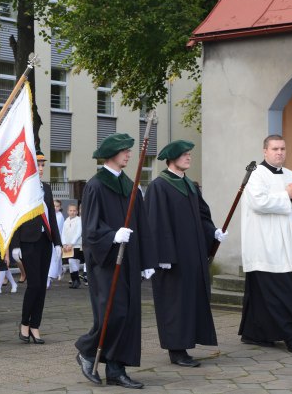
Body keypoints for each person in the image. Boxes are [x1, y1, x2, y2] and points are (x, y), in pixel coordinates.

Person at [75, 133, 157, 389]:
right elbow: (89, 228)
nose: (129, 154)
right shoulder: (96, 186)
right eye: (125, 151)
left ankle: (116, 368)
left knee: (129, 314)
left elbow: (142, 225)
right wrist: (112, 236)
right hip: (107, 262)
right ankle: (87, 351)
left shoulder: (131, 186)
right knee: (113, 313)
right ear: (112, 154)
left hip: (130, 260)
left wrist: (147, 260)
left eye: (129, 151)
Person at [144, 140, 227, 367]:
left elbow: (202, 216)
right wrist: (162, 257)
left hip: (193, 256)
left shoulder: (189, 185)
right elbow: (155, 224)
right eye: (184, 155)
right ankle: (176, 350)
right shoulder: (159, 186)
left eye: (190, 154)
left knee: (191, 300)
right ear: (172, 159)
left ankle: (187, 343)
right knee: (174, 303)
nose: (189, 157)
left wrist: (213, 232)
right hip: (172, 259)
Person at [238, 134, 292, 353]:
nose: (279, 153)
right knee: (277, 294)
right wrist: (287, 194)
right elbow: (259, 202)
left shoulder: (290, 173)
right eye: (275, 149)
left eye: (283, 149)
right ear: (265, 151)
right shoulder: (256, 174)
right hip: (265, 244)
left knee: (264, 292)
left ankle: (255, 333)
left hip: (287, 244)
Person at [11, 151, 62, 345]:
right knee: (33, 285)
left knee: (43, 286)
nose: (41, 169)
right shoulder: (22, 188)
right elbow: (15, 217)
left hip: (44, 240)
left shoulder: (46, 189)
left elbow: (50, 217)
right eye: (38, 165)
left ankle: (35, 325)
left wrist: (57, 241)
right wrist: (15, 245)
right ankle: (24, 323)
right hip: (27, 241)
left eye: (42, 165)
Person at [62, 204, 84, 289]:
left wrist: (72, 243)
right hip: (67, 245)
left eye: (74, 210)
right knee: (71, 263)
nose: (72, 212)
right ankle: (74, 280)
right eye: (70, 210)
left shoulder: (79, 220)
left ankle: (77, 280)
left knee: (73, 261)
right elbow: (63, 233)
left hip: (76, 245)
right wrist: (64, 243)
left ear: (77, 211)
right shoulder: (66, 221)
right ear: (67, 211)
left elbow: (78, 233)